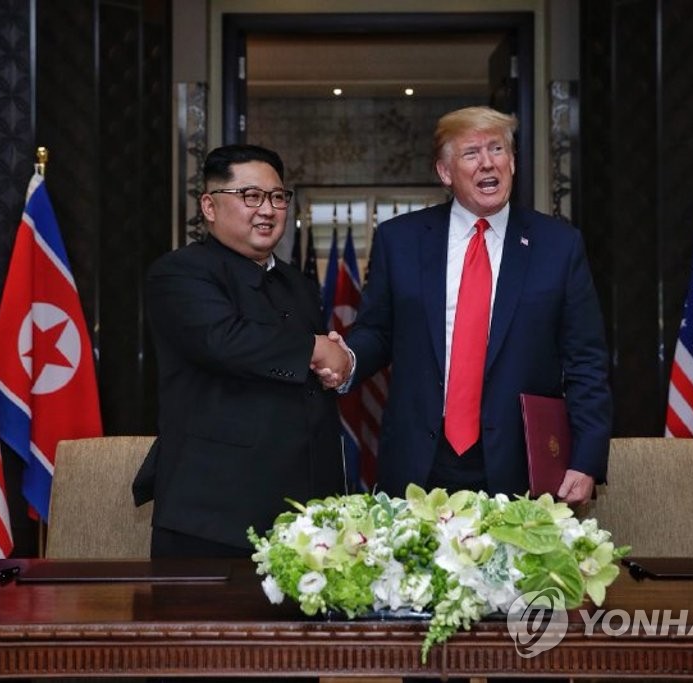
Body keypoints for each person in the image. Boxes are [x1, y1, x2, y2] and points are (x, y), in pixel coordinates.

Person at [328, 106, 612, 504]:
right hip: (419, 458)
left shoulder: (558, 246)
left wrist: (585, 459)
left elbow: (586, 360)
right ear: (445, 172)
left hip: (519, 462)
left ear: (513, 162)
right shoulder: (400, 240)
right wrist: (347, 359)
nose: (487, 163)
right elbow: (377, 331)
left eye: (497, 149)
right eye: (471, 153)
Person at [134, 144, 350, 558]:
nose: (267, 210)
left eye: (277, 197)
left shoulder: (298, 284)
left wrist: (332, 366)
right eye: (250, 196)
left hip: (305, 513)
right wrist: (314, 348)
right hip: (214, 514)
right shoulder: (181, 271)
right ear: (209, 207)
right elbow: (223, 340)